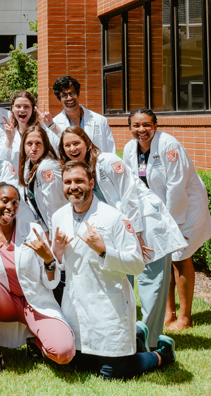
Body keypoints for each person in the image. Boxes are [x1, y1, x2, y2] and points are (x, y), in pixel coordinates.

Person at [58, 126, 187, 349]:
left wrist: (136, 235)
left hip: (146, 227)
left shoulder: (107, 161)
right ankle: (128, 334)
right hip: (119, 232)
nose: (72, 148)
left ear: (87, 143)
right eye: (67, 145)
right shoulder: (80, 172)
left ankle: (150, 341)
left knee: (151, 286)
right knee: (120, 283)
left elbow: (130, 196)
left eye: (76, 143)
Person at [51, 161, 175, 379]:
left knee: (110, 374)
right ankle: (137, 336)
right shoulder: (58, 216)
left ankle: (162, 353)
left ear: (91, 183)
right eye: (68, 182)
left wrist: (103, 250)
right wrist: (57, 251)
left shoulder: (115, 217)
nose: (73, 186)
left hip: (108, 307)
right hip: (76, 308)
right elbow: (60, 264)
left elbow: (136, 263)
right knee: (79, 367)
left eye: (79, 181)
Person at [122, 108, 211, 332]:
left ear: (155, 125)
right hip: (159, 211)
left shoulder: (169, 145)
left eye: (146, 125)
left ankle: (185, 317)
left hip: (186, 208)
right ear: (130, 128)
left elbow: (176, 187)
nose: (141, 130)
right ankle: (168, 313)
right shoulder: (128, 149)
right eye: (136, 125)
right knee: (163, 257)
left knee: (180, 257)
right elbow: (132, 185)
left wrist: (170, 224)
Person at [0, 183, 74, 373]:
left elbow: (50, 282)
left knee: (63, 354)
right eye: (5, 201)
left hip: (34, 301)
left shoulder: (33, 230)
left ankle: (35, 341)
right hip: (4, 303)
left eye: (15, 202)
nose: (10, 207)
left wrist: (48, 259)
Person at [17, 125, 66, 234]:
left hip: (59, 230)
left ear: (45, 145)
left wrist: (54, 237)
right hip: (47, 227)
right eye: (29, 144)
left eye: (38, 143)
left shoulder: (47, 168)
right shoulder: (29, 164)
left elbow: (53, 206)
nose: (33, 148)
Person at [51, 76, 115, 153]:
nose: (69, 98)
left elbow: (110, 150)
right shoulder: (54, 124)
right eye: (64, 95)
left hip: (97, 164)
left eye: (72, 93)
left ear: (78, 93)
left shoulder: (100, 120)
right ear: (59, 98)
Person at [1, 90, 57, 168]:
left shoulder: (45, 131)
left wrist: (52, 126)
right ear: (12, 108)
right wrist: (10, 139)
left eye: (26, 106)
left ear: (33, 108)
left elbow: (58, 151)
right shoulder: (6, 135)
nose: (22, 110)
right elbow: (1, 164)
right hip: (17, 179)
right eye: (18, 106)